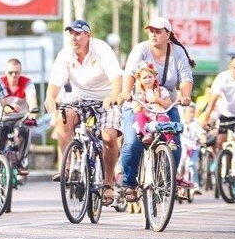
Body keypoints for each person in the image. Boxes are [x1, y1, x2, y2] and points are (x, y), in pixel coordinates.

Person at [43, 19, 123, 205]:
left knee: (109, 137)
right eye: (71, 33)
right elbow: (55, 81)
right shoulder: (65, 54)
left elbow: (117, 76)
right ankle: (69, 165)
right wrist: (50, 97)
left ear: (88, 35)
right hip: (79, 99)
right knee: (63, 121)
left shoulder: (101, 50)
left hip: (105, 98)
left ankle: (108, 183)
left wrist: (114, 95)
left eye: (78, 33)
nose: (74, 37)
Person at [117, 16, 195, 204]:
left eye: (158, 31)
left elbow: (186, 77)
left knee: (174, 140)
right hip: (138, 103)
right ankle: (129, 184)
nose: (153, 34)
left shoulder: (177, 53)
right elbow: (129, 73)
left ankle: (170, 177)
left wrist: (185, 96)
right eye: (151, 30)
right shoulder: (141, 49)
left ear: (168, 35)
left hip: (165, 105)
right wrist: (126, 93)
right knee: (131, 143)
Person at [200, 55, 235, 180]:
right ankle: (219, 162)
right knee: (220, 141)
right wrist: (206, 119)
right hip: (227, 114)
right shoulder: (222, 77)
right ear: (230, 68)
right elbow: (212, 101)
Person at [0, 57, 39, 175]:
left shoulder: (26, 82)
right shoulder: (0, 82)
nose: (13, 75)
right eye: (10, 72)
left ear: (20, 72)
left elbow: (32, 102)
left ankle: (21, 162)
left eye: (17, 72)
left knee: (25, 131)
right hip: (4, 118)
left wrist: (32, 114)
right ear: (6, 72)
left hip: (21, 117)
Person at [128, 61, 173, 145]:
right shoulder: (139, 93)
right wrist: (143, 105)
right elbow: (135, 110)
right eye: (144, 78)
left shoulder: (162, 90)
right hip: (147, 120)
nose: (148, 80)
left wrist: (158, 100)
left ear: (155, 77)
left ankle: (170, 140)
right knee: (139, 116)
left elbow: (169, 105)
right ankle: (147, 135)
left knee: (164, 120)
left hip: (159, 116)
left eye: (150, 77)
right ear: (140, 79)